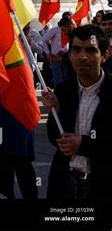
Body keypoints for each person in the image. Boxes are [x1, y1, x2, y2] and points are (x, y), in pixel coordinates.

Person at [42, 25, 112, 199]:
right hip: (65, 182)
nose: (82, 57)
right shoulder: (63, 90)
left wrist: (84, 145)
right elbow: (55, 138)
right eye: (76, 50)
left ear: (104, 55)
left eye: (90, 50)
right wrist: (54, 113)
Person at [0, 61, 38, 199]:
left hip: (19, 125)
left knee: (23, 169)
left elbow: (19, 84)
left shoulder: (21, 62)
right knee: (4, 172)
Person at [41, 17, 75, 87]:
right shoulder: (55, 29)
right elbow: (43, 40)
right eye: (62, 30)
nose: (63, 32)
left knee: (67, 78)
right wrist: (47, 53)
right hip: (54, 58)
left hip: (66, 58)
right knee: (58, 80)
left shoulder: (74, 33)